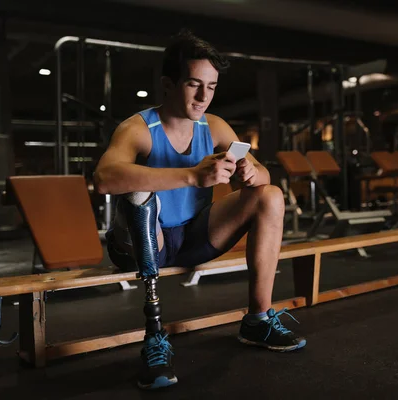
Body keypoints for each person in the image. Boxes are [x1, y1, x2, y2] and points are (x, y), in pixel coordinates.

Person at [93, 30, 306, 391]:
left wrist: (252, 172)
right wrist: (192, 175)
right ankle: (154, 339)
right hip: (144, 244)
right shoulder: (139, 128)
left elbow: (263, 176)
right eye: (194, 84)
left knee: (269, 194)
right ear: (168, 84)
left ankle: (257, 319)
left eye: (211, 86)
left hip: (194, 236)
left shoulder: (216, 126)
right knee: (137, 193)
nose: (204, 96)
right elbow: (103, 178)